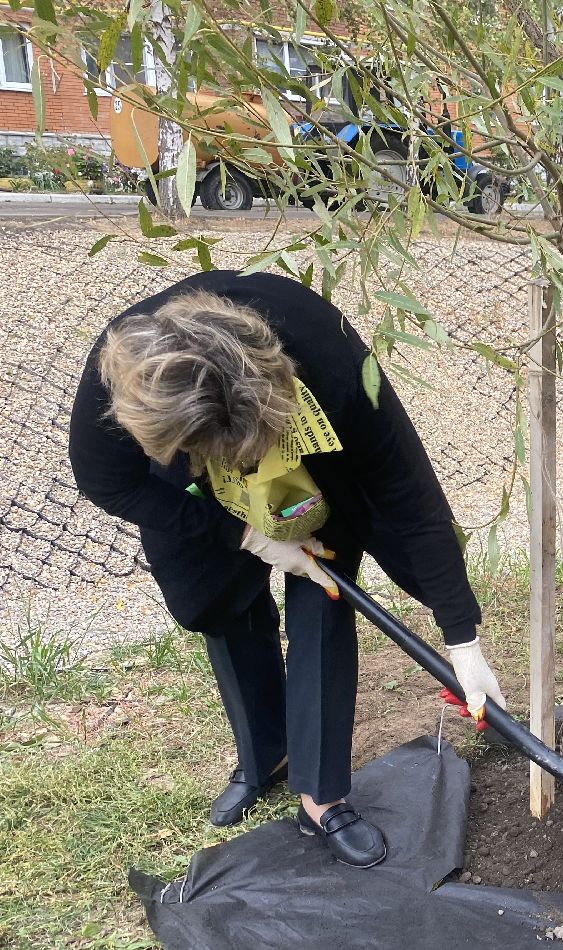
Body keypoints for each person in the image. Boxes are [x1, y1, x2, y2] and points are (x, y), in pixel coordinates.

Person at [70, 271, 506, 867]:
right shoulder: (125, 383)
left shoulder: (327, 357)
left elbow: (409, 495)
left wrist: (462, 638)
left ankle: (320, 798)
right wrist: (243, 534)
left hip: (310, 459)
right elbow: (106, 482)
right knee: (220, 604)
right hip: (189, 477)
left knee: (325, 594)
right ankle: (264, 756)